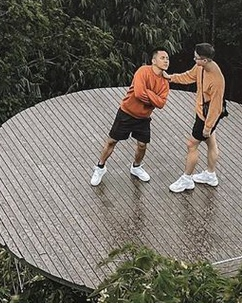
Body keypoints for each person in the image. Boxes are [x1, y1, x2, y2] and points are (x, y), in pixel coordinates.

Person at [90, 48, 171, 186]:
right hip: (126, 113)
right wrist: (153, 97)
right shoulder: (143, 71)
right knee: (112, 141)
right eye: (162, 58)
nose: (166, 61)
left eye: (167, 59)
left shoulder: (165, 83)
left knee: (142, 145)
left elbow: (161, 103)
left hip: (144, 118)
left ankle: (136, 167)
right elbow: (139, 94)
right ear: (153, 61)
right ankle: (100, 167)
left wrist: (148, 93)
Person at [166, 42, 226, 192]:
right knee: (211, 143)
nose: (194, 60)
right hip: (202, 111)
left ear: (205, 60)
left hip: (207, 116)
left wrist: (207, 127)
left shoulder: (217, 80)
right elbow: (189, 76)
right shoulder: (200, 68)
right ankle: (211, 175)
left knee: (192, 144)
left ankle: (186, 179)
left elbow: (216, 107)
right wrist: (171, 78)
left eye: (196, 58)